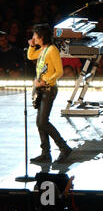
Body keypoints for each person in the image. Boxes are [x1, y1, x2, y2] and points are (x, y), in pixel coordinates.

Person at [27, 24, 72, 163]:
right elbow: (30, 56)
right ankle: (46, 153)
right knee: (40, 122)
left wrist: (46, 82)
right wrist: (32, 46)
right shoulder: (42, 49)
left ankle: (64, 147)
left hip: (48, 89)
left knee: (42, 122)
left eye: (35, 35)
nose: (33, 37)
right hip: (41, 89)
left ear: (41, 36)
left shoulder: (52, 50)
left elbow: (59, 72)